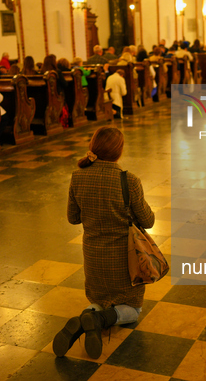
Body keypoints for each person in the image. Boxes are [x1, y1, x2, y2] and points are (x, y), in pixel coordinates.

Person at [53, 126, 154, 359]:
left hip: (93, 258)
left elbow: (73, 218)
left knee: (98, 300)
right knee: (134, 310)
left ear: (93, 146)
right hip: (125, 261)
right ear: (119, 151)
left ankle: (86, 319)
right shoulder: (129, 180)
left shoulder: (78, 176)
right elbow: (148, 221)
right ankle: (98, 319)